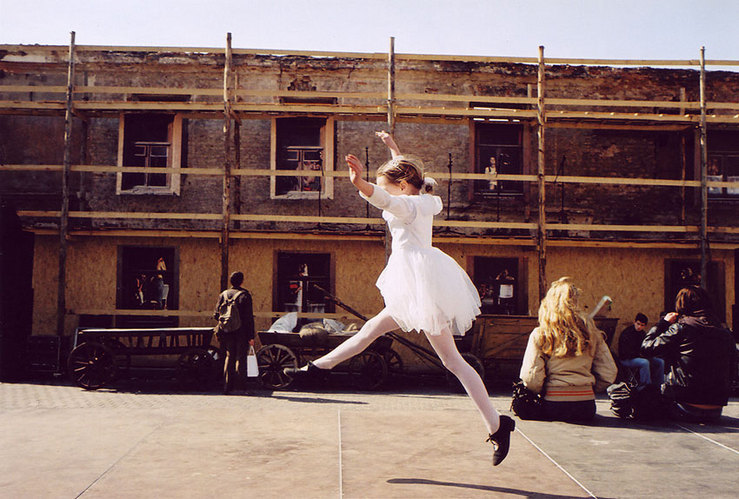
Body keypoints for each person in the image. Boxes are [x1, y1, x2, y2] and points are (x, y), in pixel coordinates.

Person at [285, 131, 515, 466]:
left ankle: (497, 425)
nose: (388, 189)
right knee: (373, 332)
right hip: (419, 284)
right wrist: (393, 149)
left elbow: (384, 198)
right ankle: (315, 370)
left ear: (404, 185)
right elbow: (401, 181)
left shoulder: (407, 205)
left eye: (390, 184)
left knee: (452, 361)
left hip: (420, 287)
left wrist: (359, 182)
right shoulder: (421, 197)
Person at [519, 277, 618, 422]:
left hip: (554, 404)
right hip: (586, 405)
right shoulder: (592, 333)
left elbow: (531, 377)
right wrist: (588, 388)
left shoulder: (541, 334)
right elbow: (609, 372)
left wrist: (544, 390)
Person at [640, 286, 736, 423]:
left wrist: (663, 323)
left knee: (641, 394)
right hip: (716, 409)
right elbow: (733, 366)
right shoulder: (724, 332)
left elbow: (646, 348)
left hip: (684, 406)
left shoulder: (682, 328)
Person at [213, 271, 255, 394]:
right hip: (241, 331)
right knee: (241, 358)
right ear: (242, 281)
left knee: (229, 356)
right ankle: (240, 388)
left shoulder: (223, 295)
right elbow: (248, 318)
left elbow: (216, 314)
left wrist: (226, 323)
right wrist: (251, 336)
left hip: (226, 331)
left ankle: (227, 387)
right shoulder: (245, 295)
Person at [618, 313, 664, 389]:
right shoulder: (626, 333)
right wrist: (640, 355)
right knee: (644, 363)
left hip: (640, 357)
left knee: (660, 362)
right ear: (634, 322)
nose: (639, 327)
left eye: (642, 325)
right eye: (638, 324)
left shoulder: (643, 334)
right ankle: (645, 387)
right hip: (627, 359)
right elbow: (625, 352)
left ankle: (659, 386)